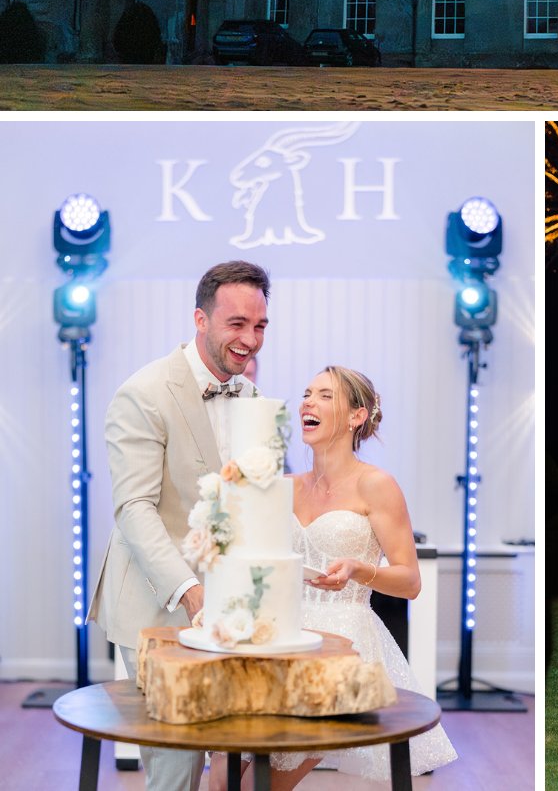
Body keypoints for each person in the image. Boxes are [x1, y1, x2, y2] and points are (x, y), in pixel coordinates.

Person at [209, 364, 457, 791]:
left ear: (357, 416)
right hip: (277, 635)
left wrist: (360, 570)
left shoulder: (377, 485)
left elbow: (410, 581)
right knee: (219, 778)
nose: (308, 401)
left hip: (341, 644)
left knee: (260, 786)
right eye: (306, 393)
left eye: (324, 395)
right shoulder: (282, 485)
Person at [87, 260, 270, 791]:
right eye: (237, 324)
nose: (250, 339)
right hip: (158, 604)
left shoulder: (253, 400)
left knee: (236, 749)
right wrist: (190, 592)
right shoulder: (143, 393)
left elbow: (254, 504)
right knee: (176, 763)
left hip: (234, 607)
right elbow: (134, 508)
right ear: (200, 319)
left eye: (259, 326)